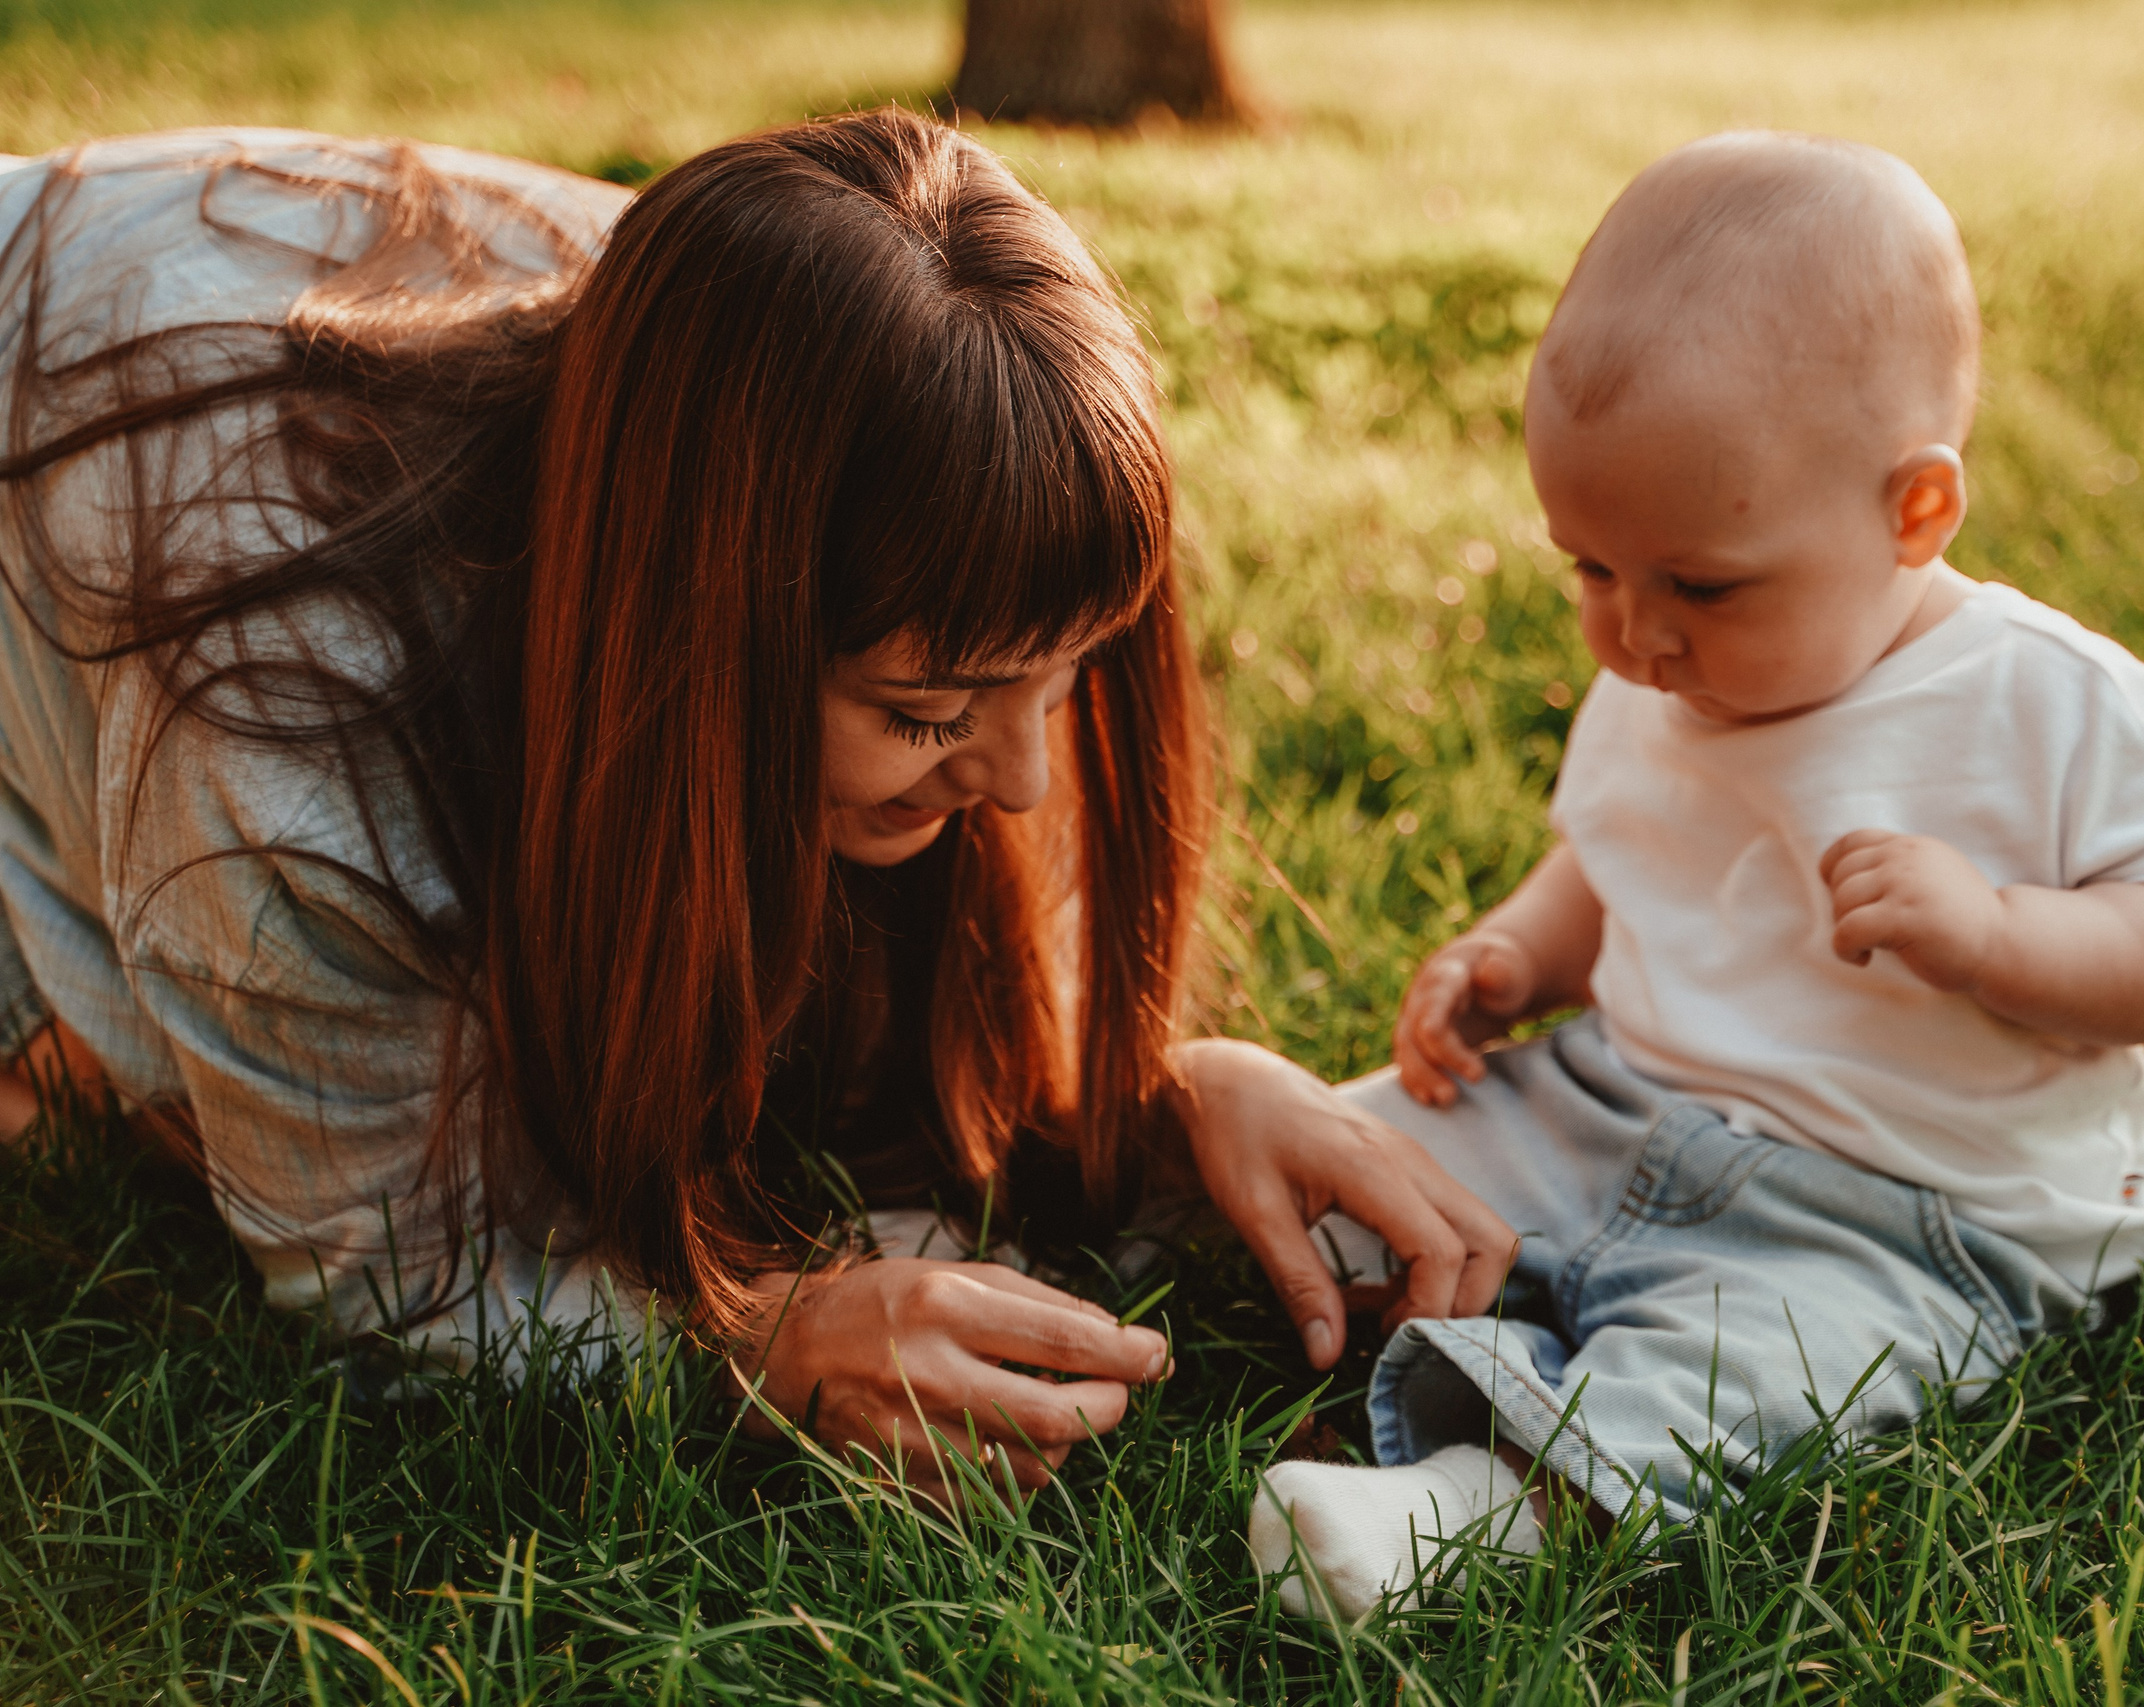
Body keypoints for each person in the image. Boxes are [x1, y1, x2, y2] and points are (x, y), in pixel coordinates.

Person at [0, 112, 1513, 1504]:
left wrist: (1170, 1097)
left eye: (1063, 682)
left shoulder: (791, 369)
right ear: (692, 651)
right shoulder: (285, 748)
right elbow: (387, 1277)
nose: (1024, 786)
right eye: (928, 715)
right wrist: (757, 1348)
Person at [1249, 131, 2144, 1616]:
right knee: (1355, 1156)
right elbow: (1617, 864)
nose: (1635, 636)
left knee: (1761, 1370)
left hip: (1908, 1206)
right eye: (1589, 570)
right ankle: (1049, 1235)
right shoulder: (1670, 674)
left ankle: (1465, 1512)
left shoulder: (2048, 701)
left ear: (1914, 512)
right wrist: (1517, 959)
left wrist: (2002, 932)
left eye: (1700, 585)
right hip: (1612, 1098)